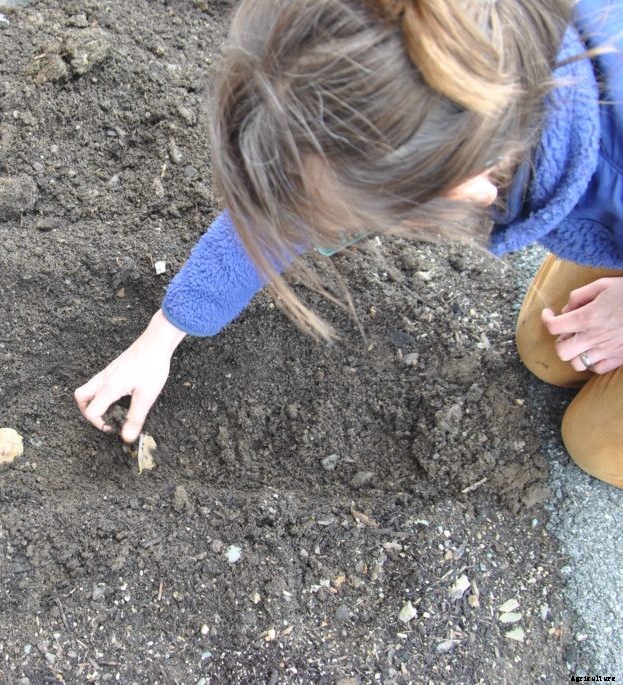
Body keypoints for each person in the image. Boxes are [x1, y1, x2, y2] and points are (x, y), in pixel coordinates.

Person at [74, 0, 623, 488]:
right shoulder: (393, 51)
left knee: (591, 444)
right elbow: (292, 194)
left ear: (467, 192)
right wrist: (163, 333)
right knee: (544, 355)